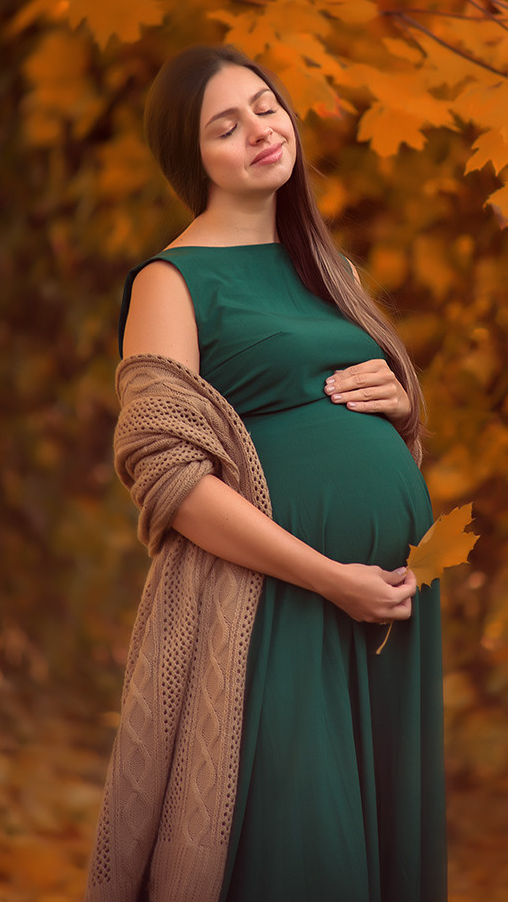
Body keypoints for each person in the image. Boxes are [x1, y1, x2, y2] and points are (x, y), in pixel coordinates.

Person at [85, 44, 446, 902]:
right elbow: (169, 480)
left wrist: (400, 402)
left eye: (265, 105)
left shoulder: (327, 267)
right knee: (301, 855)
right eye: (225, 126)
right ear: (193, 159)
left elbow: (370, 421)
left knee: (380, 849)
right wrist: (328, 578)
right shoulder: (171, 282)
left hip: (383, 606)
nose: (258, 130)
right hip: (276, 604)